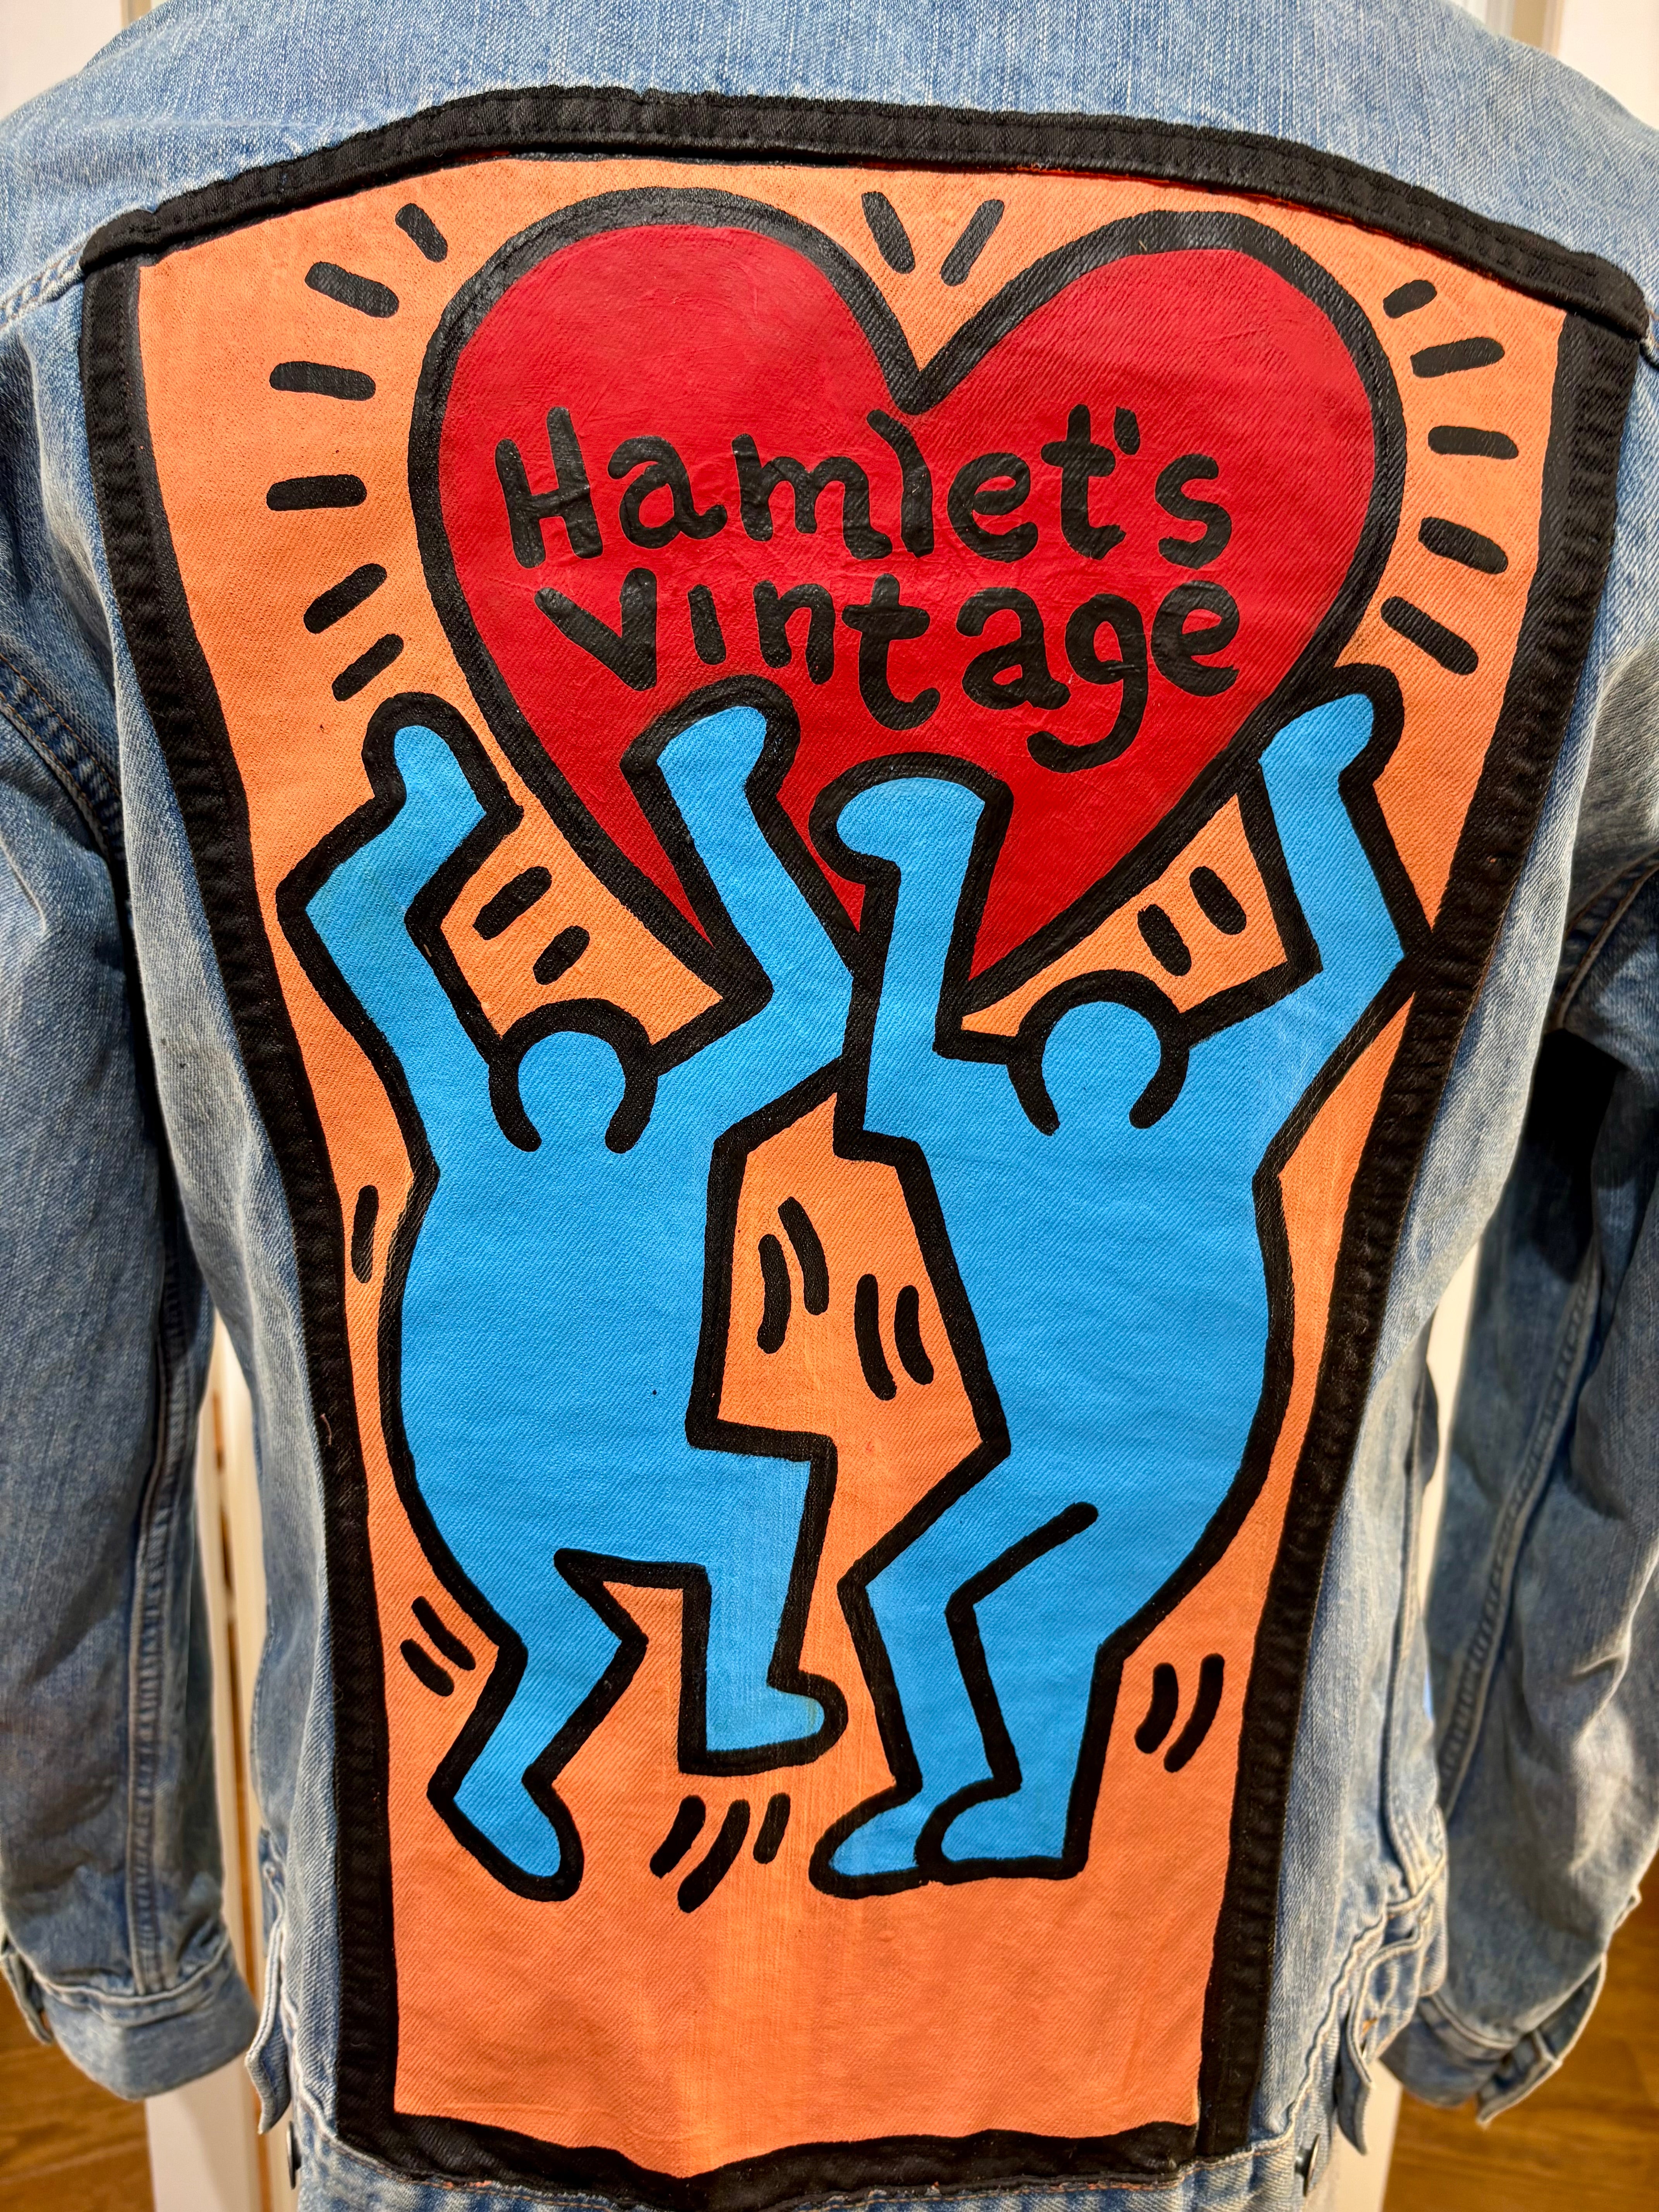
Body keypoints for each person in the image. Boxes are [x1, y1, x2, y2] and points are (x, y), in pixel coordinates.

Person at [0, 4, 1654, 2208]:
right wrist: (1499, 1915)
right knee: (821, 1551)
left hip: (458, 2043)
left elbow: (39, 1301)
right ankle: (857, 1744)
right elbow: (880, 1020)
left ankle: (810, 1744)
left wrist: (120, 1919)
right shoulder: (1587, 272)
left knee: (814, 1560)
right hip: (1195, 2053)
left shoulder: (102, 245)